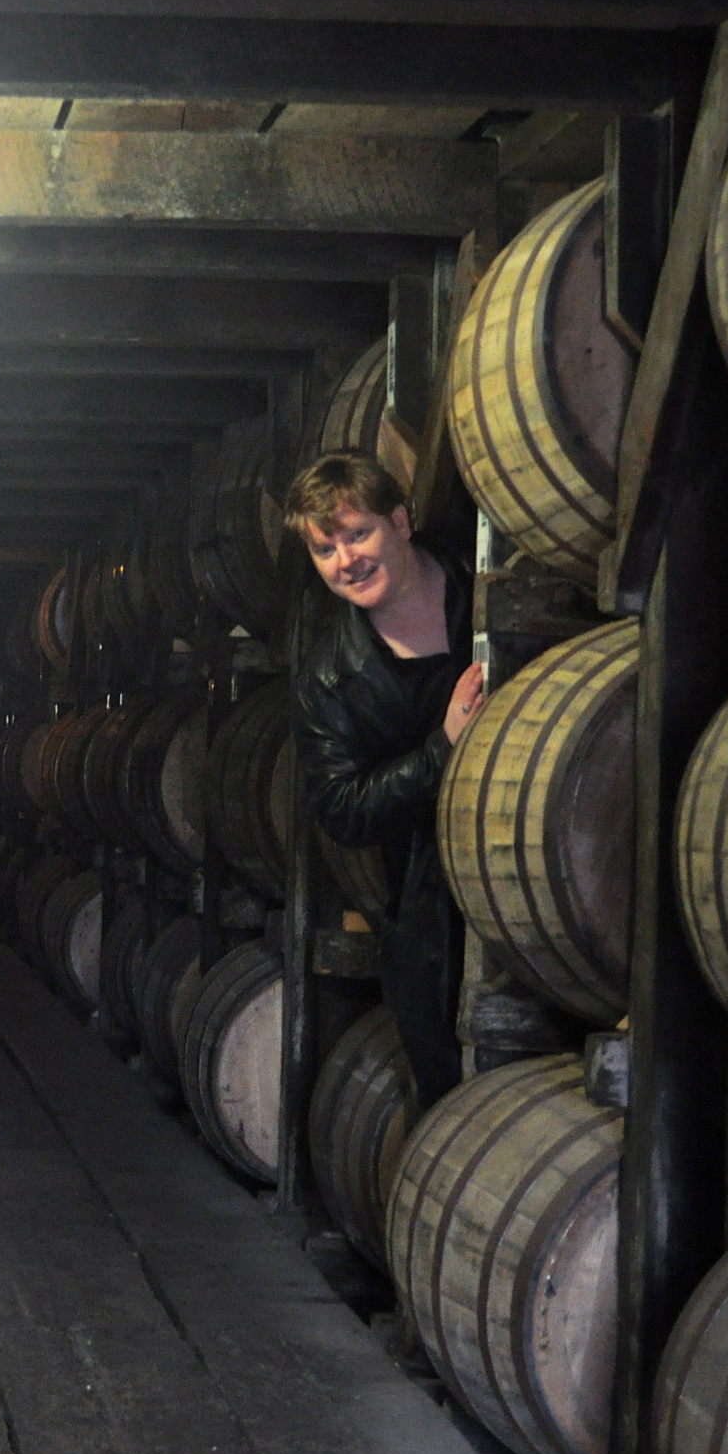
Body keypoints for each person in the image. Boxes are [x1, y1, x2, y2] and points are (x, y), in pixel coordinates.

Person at [285, 453, 483, 1106]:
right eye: (325, 548)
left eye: (357, 533)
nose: (345, 560)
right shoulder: (329, 679)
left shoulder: (490, 589)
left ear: (399, 521)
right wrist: (444, 746)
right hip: (429, 909)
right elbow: (342, 809)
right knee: (449, 1093)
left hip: (548, 863)